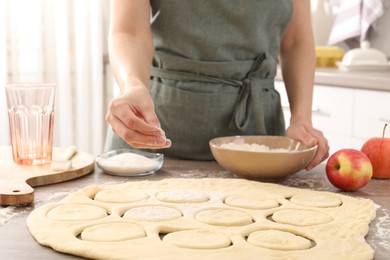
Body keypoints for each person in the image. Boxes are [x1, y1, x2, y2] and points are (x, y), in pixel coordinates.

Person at [105, 0, 329, 170]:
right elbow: (129, 32)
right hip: (155, 133)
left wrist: (301, 119)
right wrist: (133, 85)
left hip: (259, 140)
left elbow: (295, 40)